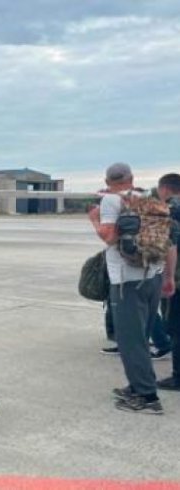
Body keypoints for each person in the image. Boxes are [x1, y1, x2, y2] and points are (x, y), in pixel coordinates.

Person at [88, 162, 171, 414]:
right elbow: (168, 241)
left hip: (127, 282)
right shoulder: (150, 200)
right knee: (141, 337)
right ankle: (137, 386)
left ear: (107, 181)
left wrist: (94, 220)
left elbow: (110, 237)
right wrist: (168, 277)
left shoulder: (112, 201)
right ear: (131, 178)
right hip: (152, 275)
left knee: (130, 341)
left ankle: (147, 398)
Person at [157, 173, 180, 391]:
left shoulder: (170, 210)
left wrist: (167, 277)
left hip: (178, 277)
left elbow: (168, 244)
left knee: (175, 327)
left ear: (165, 189)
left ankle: (178, 377)